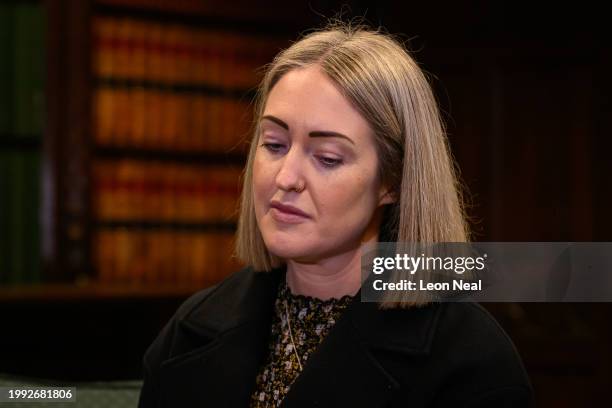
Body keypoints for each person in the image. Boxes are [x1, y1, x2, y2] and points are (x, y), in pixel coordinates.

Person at [138, 21, 533, 407]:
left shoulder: (470, 362)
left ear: (392, 182)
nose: (286, 177)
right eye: (274, 144)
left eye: (327, 158)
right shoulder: (189, 330)